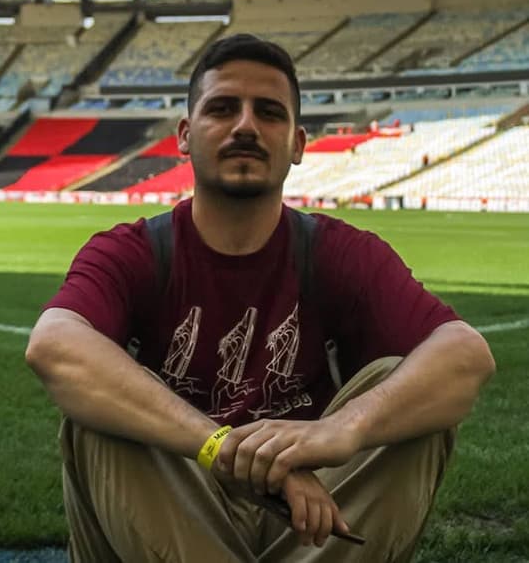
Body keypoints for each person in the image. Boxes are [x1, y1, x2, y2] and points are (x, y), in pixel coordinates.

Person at [26, 33, 495, 562]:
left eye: (269, 113)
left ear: (297, 143)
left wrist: (342, 431)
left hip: (306, 519)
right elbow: (54, 345)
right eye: (222, 108)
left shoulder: (339, 253)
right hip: (172, 500)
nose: (245, 126)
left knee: (404, 388)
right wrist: (220, 447)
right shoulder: (132, 251)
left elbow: (465, 355)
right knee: (102, 402)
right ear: (185, 135)